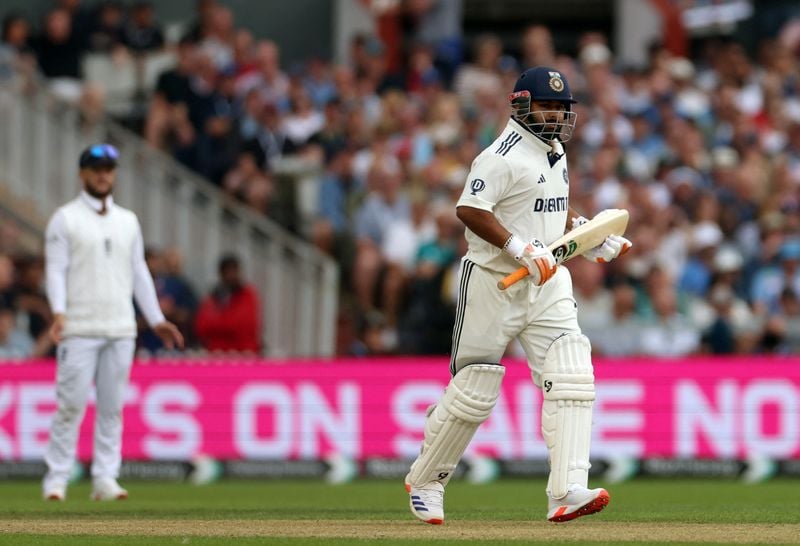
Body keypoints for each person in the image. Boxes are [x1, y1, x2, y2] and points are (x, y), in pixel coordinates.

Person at [404, 67, 631, 524]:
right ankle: (427, 480)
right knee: (475, 388)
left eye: (562, 108)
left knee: (571, 372)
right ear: (522, 105)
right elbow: (470, 209)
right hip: (494, 282)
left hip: (547, 280)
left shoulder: (555, 150)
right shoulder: (499, 156)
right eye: (547, 106)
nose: (556, 115)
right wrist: (517, 247)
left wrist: (587, 234)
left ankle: (566, 490)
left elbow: (550, 208)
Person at [42, 144, 184, 502]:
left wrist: (156, 318)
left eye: (108, 168)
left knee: (112, 408)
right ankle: (56, 479)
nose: (103, 175)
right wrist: (59, 311)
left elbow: (139, 272)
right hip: (79, 327)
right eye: (96, 168)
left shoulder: (128, 221)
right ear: (82, 173)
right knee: (70, 405)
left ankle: (105, 478)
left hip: (121, 327)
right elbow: (55, 270)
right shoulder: (65, 218)